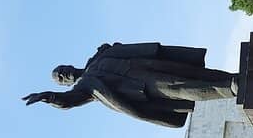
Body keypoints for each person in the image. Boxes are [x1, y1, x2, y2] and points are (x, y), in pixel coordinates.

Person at [22, 42, 237, 128]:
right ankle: (230, 89)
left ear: (68, 64)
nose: (63, 74)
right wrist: (49, 97)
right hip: (143, 86)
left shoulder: (97, 57)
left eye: (61, 70)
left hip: (147, 64)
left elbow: (118, 47)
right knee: (180, 88)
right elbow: (68, 101)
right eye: (61, 78)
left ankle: (230, 80)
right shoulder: (84, 86)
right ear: (65, 83)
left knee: (192, 72)